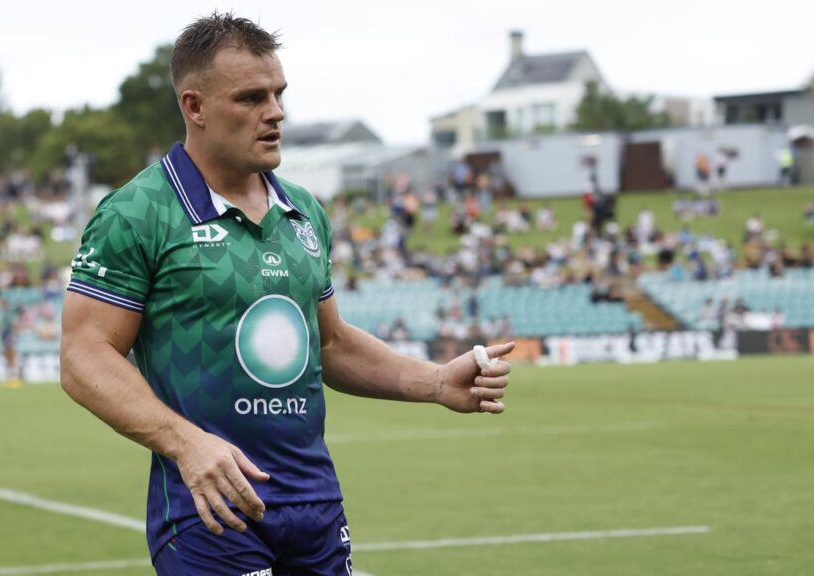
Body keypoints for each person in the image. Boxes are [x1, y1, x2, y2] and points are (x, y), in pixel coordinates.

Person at [60, 13, 515, 576]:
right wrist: (186, 444)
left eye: (278, 94)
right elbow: (84, 355)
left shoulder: (303, 210)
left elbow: (331, 343)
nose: (275, 112)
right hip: (211, 509)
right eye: (251, 98)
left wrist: (435, 381)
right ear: (194, 107)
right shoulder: (138, 211)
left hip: (315, 505)